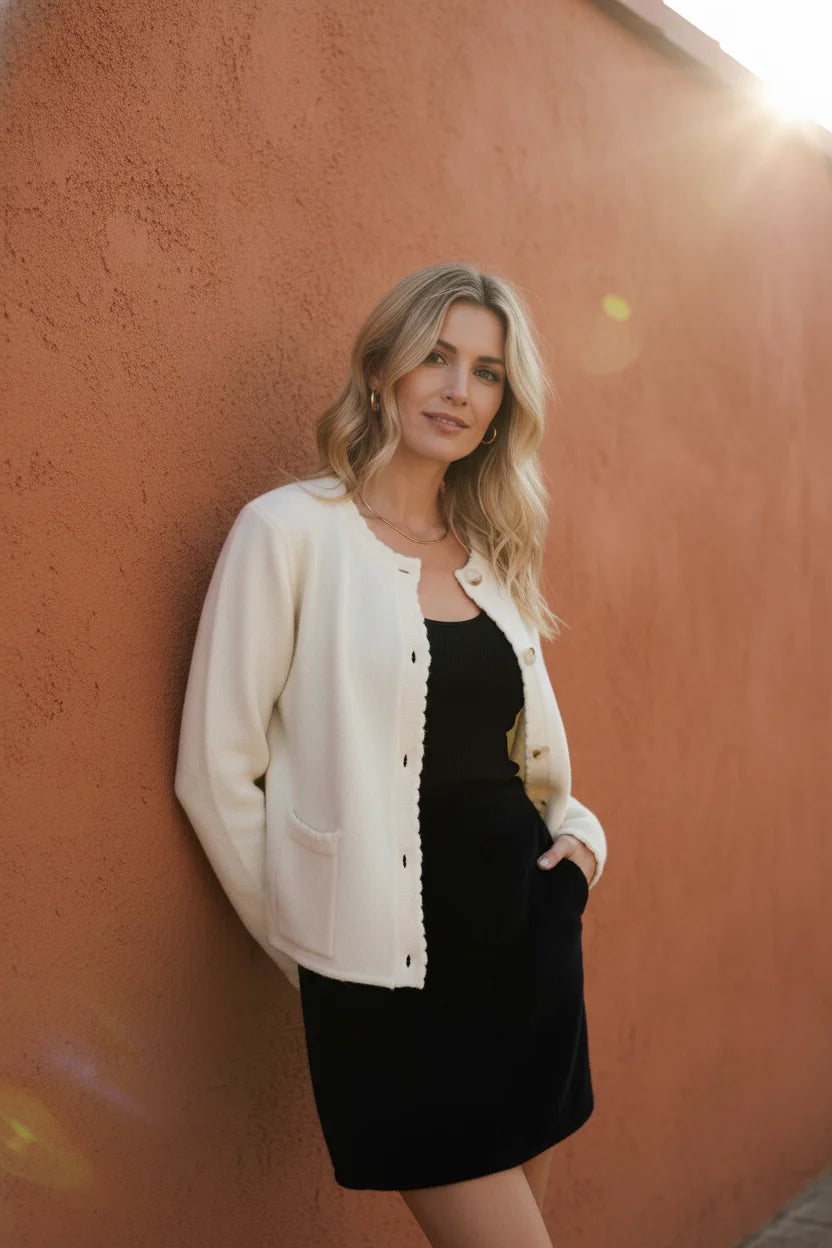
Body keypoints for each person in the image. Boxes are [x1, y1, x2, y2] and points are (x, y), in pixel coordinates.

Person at [174, 261, 607, 1248]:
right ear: (382, 371)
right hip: (387, 979)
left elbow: (534, 765)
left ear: (505, 405)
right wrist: (313, 948)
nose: (459, 389)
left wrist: (577, 851)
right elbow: (213, 771)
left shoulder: (493, 554)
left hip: (526, 952)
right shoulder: (287, 534)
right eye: (436, 357)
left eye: (488, 372)